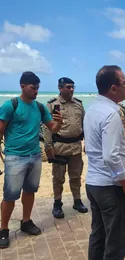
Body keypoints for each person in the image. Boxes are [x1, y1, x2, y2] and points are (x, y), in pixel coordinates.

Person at [0, 71, 63, 249]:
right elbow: (0, 130)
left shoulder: (40, 107)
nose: (36, 91)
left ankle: (26, 221)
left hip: (35, 155)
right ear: (22, 86)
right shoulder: (10, 105)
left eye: (37, 88)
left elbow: (54, 128)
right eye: (33, 88)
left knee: (30, 191)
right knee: (10, 195)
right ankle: (3, 229)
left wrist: (60, 121)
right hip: (14, 157)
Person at [84, 65, 125, 260]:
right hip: (110, 186)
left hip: (94, 183)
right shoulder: (111, 114)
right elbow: (111, 156)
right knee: (115, 242)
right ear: (113, 88)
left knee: (98, 235)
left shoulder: (93, 109)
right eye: (124, 83)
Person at [43, 77, 88, 219]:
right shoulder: (51, 104)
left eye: (73, 87)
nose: (71, 89)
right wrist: (48, 147)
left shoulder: (79, 104)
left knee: (76, 176)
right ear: (60, 88)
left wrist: (88, 142)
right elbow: (46, 127)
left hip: (75, 147)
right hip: (59, 147)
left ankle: (77, 201)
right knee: (58, 178)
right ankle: (57, 204)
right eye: (68, 87)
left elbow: (85, 124)